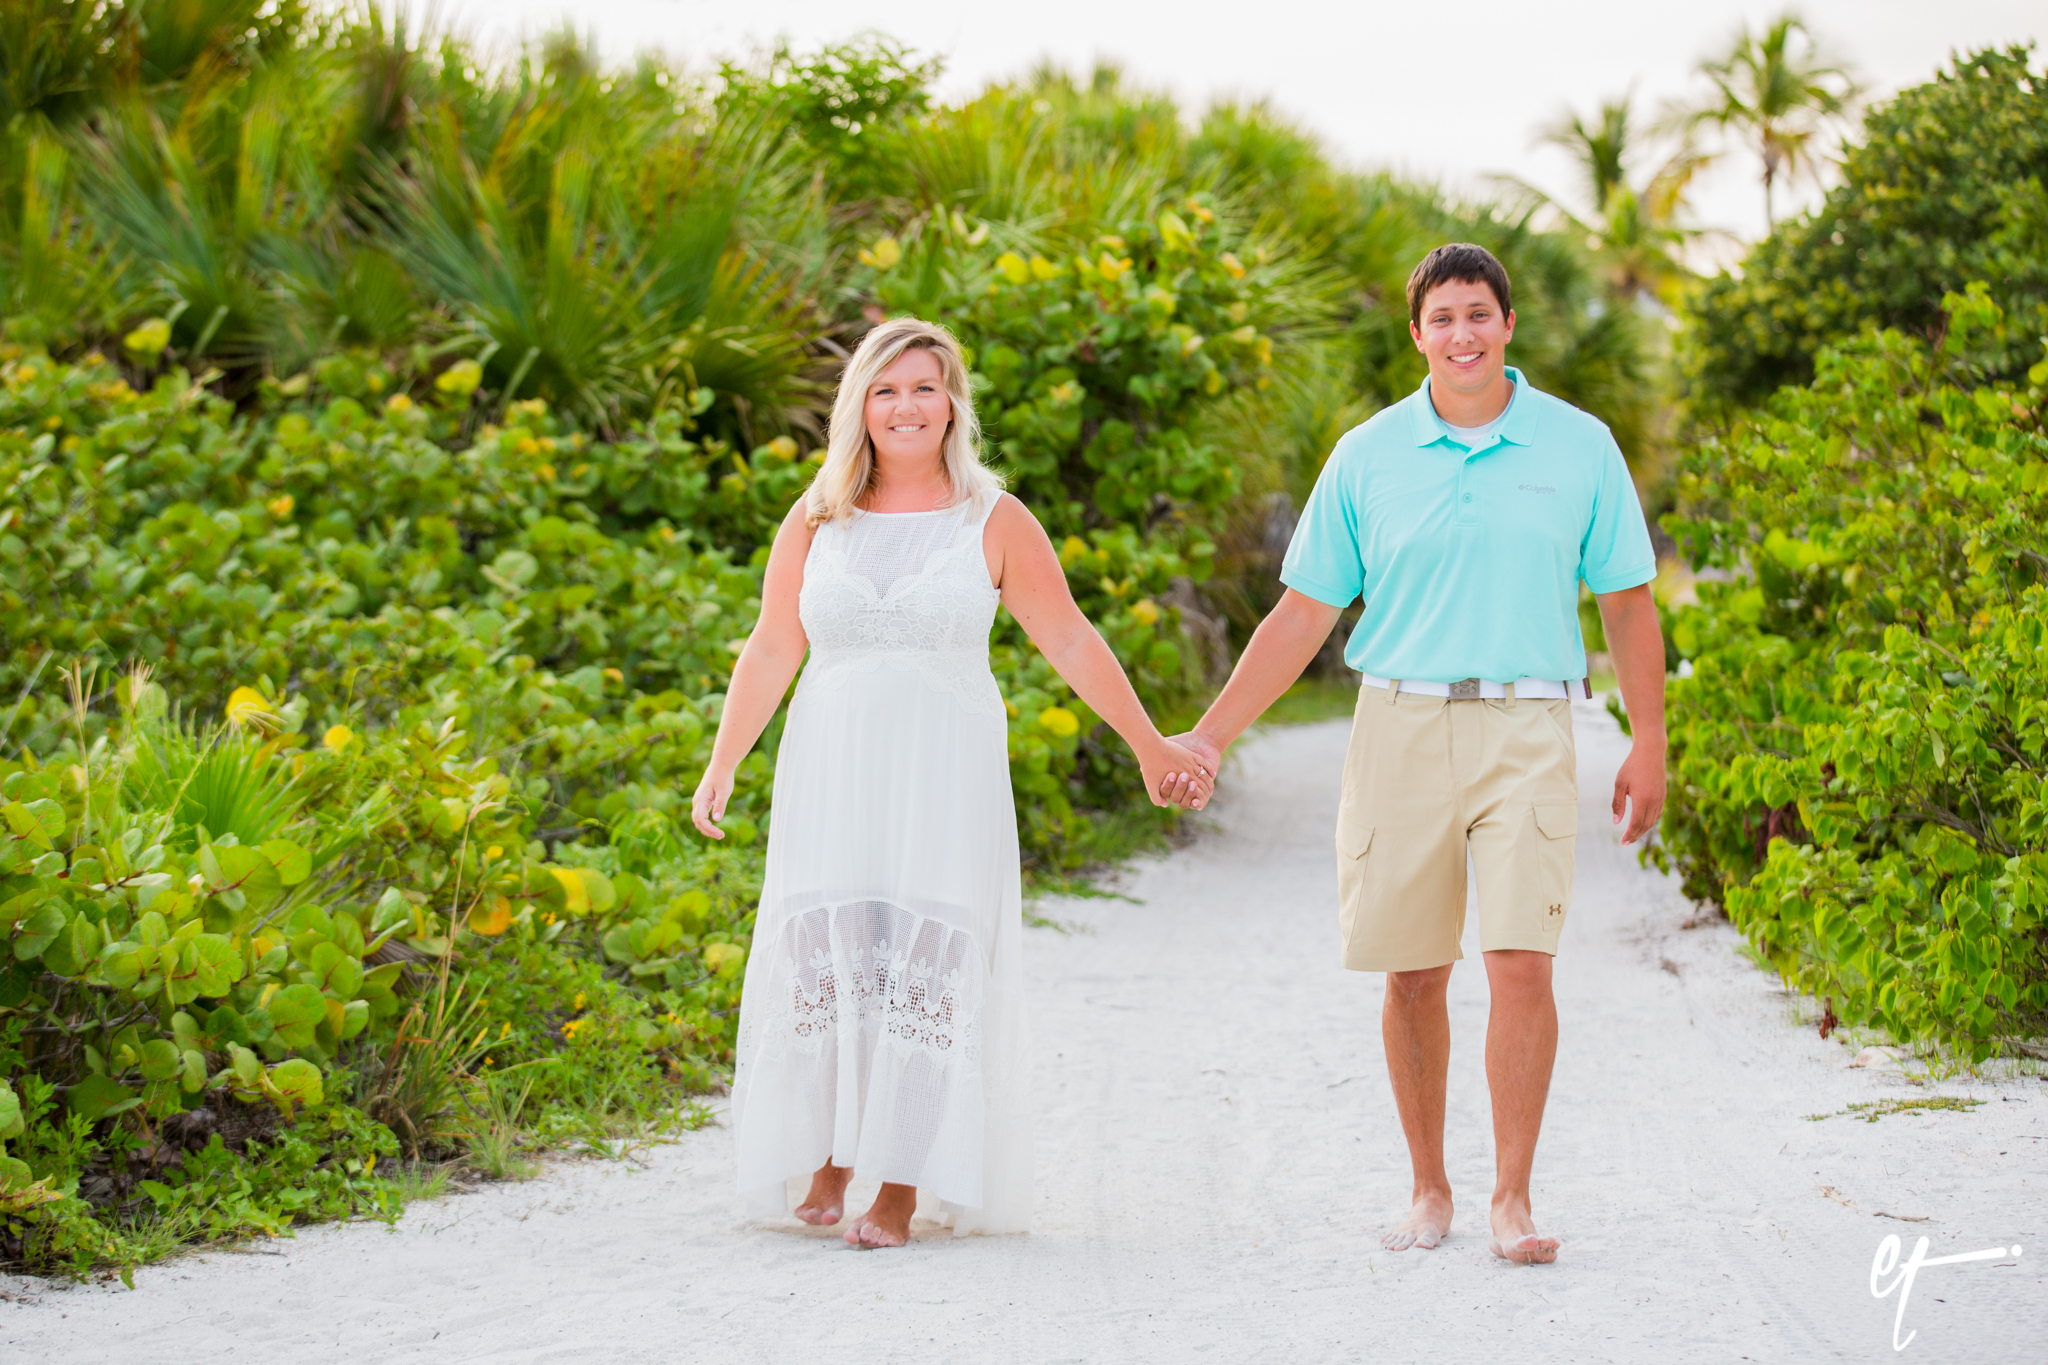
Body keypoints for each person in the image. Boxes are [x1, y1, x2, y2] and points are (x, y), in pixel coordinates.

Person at [1167, 243, 1666, 1265]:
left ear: (1507, 325)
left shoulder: (1578, 447)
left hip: (1527, 725)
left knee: (1521, 961)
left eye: (1477, 314)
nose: (1461, 334)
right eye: (1441, 318)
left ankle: (1511, 1200)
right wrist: (1208, 735)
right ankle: (1428, 1189)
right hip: (1396, 723)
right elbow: (1304, 612)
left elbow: (1625, 599)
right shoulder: (1366, 455)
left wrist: (1647, 741)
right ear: (1416, 334)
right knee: (1410, 976)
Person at [693, 317, 1212, 1249]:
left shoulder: (995, 519)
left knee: (923, 953)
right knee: (838, 939)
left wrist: (1146, 742)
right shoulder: (815, 516)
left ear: (952, 403)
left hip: (944, 772)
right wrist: (724, 759)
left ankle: (897, 1183)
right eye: (886, 389)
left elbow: (1069, 638)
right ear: (860, 405)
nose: (906, 406)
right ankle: (828, 1156)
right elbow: (775, 643)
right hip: (834, 770)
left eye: (925, 387)